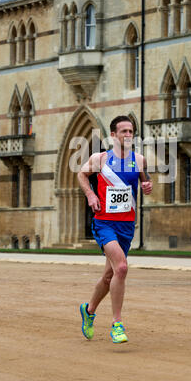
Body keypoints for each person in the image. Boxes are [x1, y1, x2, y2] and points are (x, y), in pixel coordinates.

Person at [77, 115, 153, 343]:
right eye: (124, 132)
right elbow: (81, 174)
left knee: (110, 276)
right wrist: (90, 194)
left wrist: (147, 185)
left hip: (127, 225)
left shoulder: (139, 160)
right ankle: (117, 324)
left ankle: (88, 311)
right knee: (121, 267)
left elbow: (144, 180)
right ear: (113, 135)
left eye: (131, 131)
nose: (128, 135)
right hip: (104, 223)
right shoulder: (100, 159)